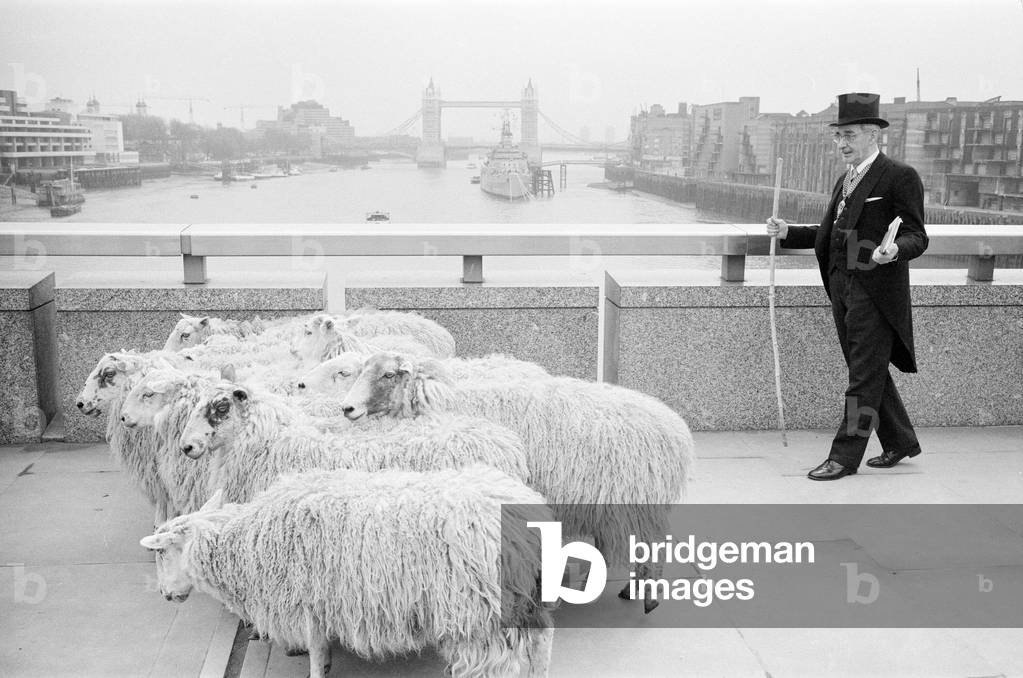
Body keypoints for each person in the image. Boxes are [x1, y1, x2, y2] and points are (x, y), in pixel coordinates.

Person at [766, 92, 929, 481]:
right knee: (868, 371)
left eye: (850, 135)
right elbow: (832, 233)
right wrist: (789, 232)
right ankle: (900, 441)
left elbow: (917, 235)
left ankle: (844, 456)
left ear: (873, 134)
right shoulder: (846, 179)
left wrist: (894, 251)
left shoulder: (899, 176)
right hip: (841, 287)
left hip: (875, 292)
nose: (842, 143)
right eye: (838, 136)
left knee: (863, 377)